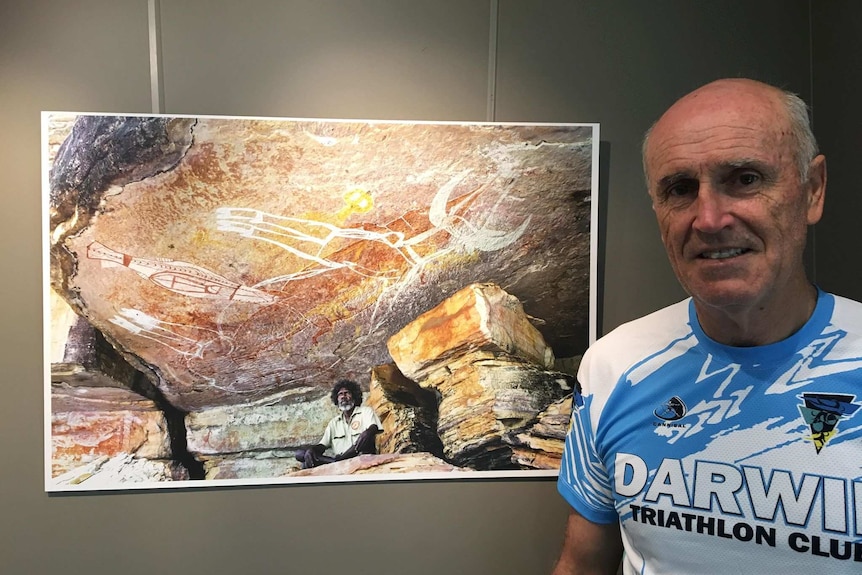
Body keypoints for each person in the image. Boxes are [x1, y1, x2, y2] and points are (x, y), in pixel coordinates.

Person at [553, 78, 862, 574]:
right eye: (679, 189)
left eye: (745, 178)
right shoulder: (615, 366)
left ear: (813, 189)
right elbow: (583, 563)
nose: (710, 219)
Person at [296, 379, 383, 469]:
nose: (343, 396)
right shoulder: (334, 423)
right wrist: (312, 450)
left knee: (366, 435)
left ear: (354, 396)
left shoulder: (365, 412)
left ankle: (336, 462)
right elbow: (322, 446)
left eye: (347, 393)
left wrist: (368, 432)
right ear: (336, 399)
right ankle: (335, 462)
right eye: (340, 394)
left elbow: (373, 428)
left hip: (360, 458)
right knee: (300, 453)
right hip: (338, 462)